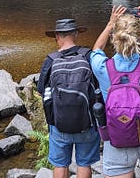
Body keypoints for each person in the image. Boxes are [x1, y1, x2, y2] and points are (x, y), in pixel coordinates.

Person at [90, 5, 140, 178]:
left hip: (116, 132)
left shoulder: (102, 68)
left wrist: (109, 24)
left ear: (114, 38)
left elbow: (96, 50)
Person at [37, 18, 100, 178]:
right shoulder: (88, 56)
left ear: (57, 36)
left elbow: (41, 91)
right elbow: (99, 88)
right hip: (87, 123)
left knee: (60, 164)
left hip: (59, 124)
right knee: (84, 164)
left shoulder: (51, 60)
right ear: (76, 34)